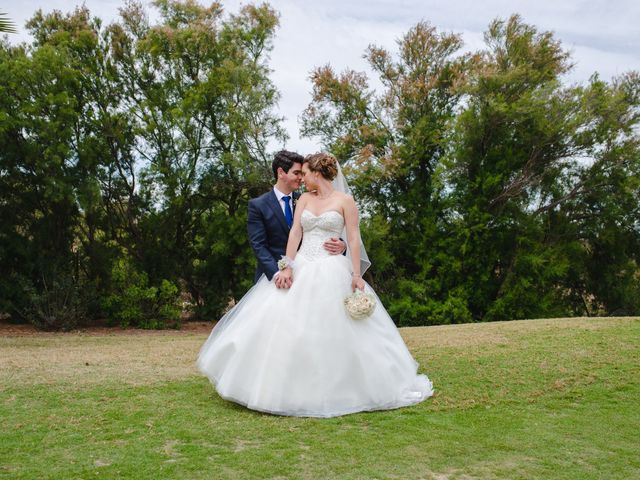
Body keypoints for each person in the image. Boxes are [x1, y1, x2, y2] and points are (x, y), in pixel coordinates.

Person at [197, 153, 433, 417]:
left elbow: (353, 238)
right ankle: (284, 388)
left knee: (338, 330)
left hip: (333, 269)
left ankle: (347, 387)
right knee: (288, 328)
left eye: (305, 173)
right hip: (302, 266)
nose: (302, 177)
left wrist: (356, 274)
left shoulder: (346, 201)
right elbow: (295, 232)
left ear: (317, 173)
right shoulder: (305, 200)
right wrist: (287, 266)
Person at [246, 150, 345, 287]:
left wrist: (341, 244)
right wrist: (277, 274)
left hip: (307, 275)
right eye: (297, 173)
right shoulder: (258, 205)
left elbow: (322, 228)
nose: (301, 178)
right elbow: (259, 246)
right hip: (272, 278)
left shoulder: (307, 199)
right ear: (281, 173)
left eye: (303, 174)